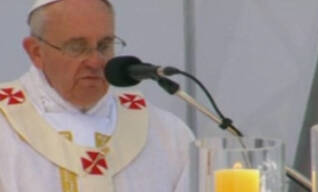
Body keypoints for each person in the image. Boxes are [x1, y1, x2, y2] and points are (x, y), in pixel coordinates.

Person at [0, 0, 194, 191]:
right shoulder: (5, 128)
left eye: (104, 45)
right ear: (36, 53)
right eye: (76, 47)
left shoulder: (168, 134)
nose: (95, 62)